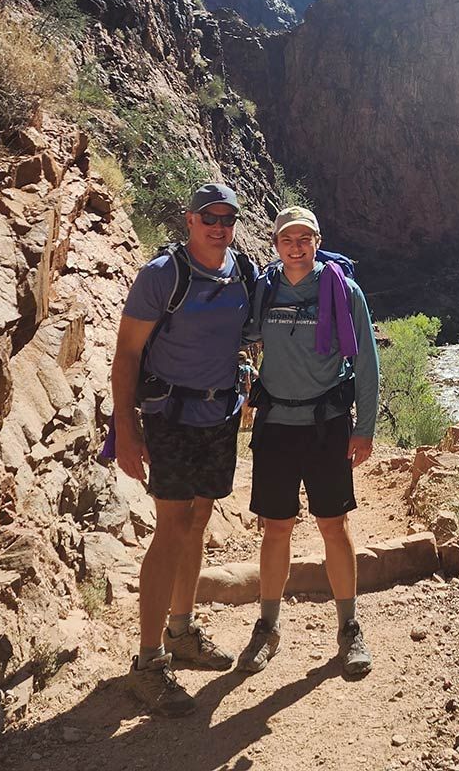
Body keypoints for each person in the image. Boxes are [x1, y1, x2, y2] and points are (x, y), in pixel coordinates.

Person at [111, 183, 253, 716]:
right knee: (171, 525)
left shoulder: (240, 270)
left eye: (227, 218)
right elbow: (127, 353)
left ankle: (182, 631)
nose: (219, 226)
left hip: (219, 414)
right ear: (190, 220)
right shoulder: (161, 275)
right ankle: (148, 662)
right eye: (209, 217)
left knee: (198, 520)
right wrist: (124, 428)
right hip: (169, 416)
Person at [237, 206, 380, 680]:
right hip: (276, 424)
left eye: (304, 238)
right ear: (276, 244)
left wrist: (365, 428)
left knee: (333, 526)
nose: (295, 246)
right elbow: (240, 334)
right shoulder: (266, 287)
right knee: (275, 528)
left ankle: (349, 627)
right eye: (286, 239)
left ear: (317, 240)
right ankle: (268, 626)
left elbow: (365, 361)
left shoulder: (342, 288)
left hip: (327, 424)